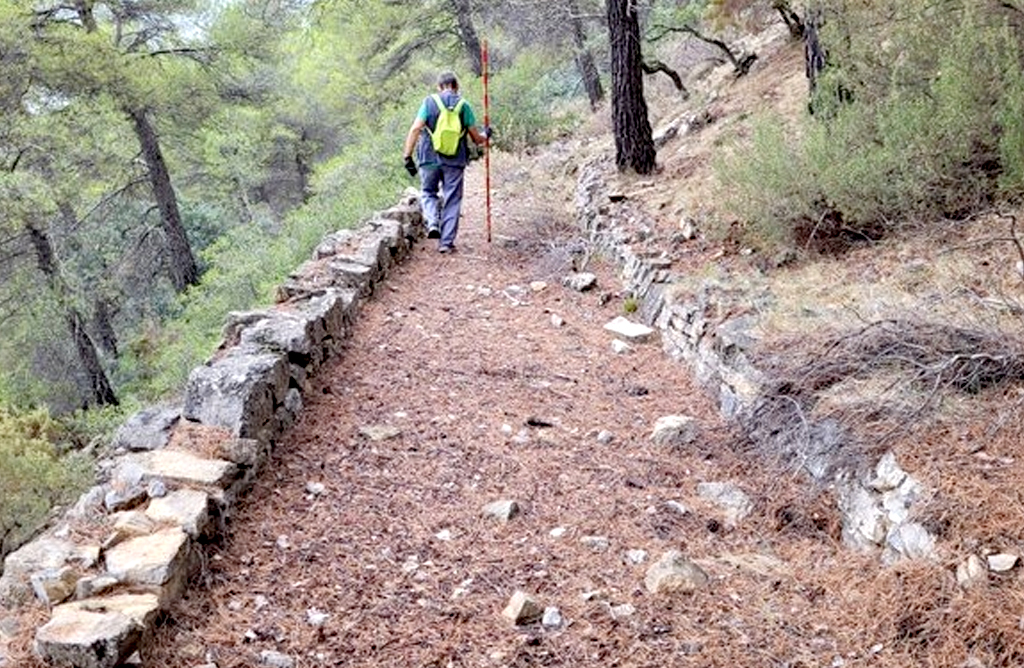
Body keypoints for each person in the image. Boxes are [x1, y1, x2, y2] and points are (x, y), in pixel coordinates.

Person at [402, 71, 490, 253]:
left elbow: (416, 128)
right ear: (456, 86)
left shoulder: (429, 102)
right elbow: (476, 138)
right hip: (455, 160)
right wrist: (486, 134)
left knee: (427, 192)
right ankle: (446, 243)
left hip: (428, 158)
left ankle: (433, 222)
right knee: (452, 199)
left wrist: (407, 156)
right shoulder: (463, 105)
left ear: (439, 87)